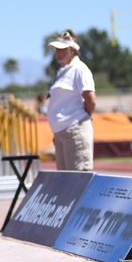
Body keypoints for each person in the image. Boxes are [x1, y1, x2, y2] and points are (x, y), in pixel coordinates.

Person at [47, 29, 96, 171]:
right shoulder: (63, 71)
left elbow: (90, 99)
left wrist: (85, 116)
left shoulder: (80, 69)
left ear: (73, 50)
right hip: (61, 133)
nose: (57, 52)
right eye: (56, 49)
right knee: (66, 182)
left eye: (62, 49)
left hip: (75, 130)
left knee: (78, 180)